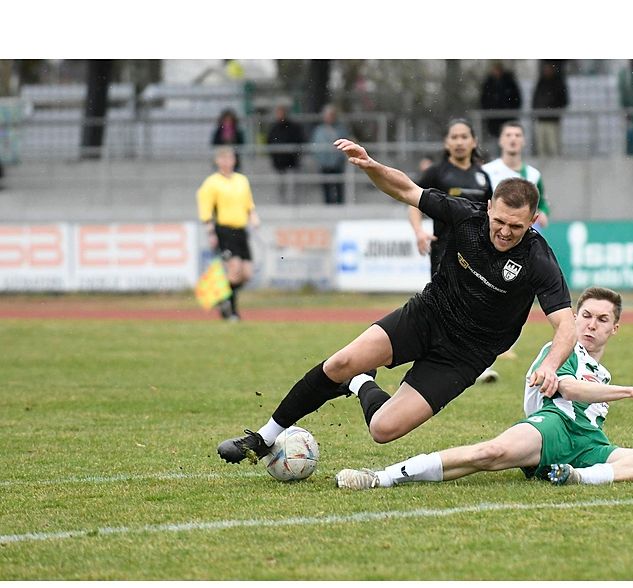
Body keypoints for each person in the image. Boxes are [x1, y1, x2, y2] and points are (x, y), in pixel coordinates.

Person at [216, 138, 576, 465]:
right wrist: (372, 166)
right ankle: (264, 437)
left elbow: (566, 325)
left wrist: (550, 365)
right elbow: (405, 189)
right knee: (341, 361)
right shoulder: (467, 216)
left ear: (533, 220)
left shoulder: (538, 259)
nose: (504, 231)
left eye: (516, 226)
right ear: (488, 207)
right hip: (429, 314)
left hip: (466, 355)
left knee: (383, 429)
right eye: (499, 221)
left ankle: (359, 383)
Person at [335, 286, 633, 490]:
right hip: (551, 427)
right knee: (487, 453)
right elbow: (568, 389)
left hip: (589, 445)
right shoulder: (561, 350)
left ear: (614, 329)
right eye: (585, 316)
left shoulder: (603, 372)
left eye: (602, 320)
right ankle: (381, 477)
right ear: (574, 318)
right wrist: (631, 391)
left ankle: (578, 477)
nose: (591, 325)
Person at [408, 118, 499, 382]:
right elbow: (412, 200)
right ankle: (434, 358)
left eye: (464, 137)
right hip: (445, 251)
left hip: (477, 252)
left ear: (474, 141)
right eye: (454, 137)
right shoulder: (436, 173)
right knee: (444, 306)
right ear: (447, 143)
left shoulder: (482, 176)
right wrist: (419, 231)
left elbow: (493, 211)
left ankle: (475, 363)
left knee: (477, 305)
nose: (459, 142)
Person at [196, 146, 260, 320]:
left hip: (241, 230)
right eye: (223, 158)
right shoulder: (212, 183)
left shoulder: (241, 180)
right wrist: (210, 232)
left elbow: (249, 204)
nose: (227, 162)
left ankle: (222, 296)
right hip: (224, 230)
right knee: (234, 269)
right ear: (217, 161)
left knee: (247, 274)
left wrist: (253, 217)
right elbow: (205, 207)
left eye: (230, 158)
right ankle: (232, 312)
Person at [482, 120, 550, 232]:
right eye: (508, 135)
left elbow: (542, 203)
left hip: (522, 232)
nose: (513, 139)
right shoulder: (486, 171)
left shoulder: (533, 174)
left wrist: (543, 212)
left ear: (524, 141)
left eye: (517, 135)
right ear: (500, 140)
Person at [266, 105, 306, 202]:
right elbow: (269, 142)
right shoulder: (274, 128)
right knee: (281, 185)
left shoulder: (293, 127)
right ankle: (282, 203)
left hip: (292, 162)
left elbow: (299, 141)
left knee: (293, 185)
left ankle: (294, 204)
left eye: (281, 113)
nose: (280, 115)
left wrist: (295, 154)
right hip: (279, 163)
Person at [311, 105, 350, 204]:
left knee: (339, 187)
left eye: (331, 115)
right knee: (326, 188)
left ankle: (339, 206)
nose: (329, 118)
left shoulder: (340, 129)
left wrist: (338, 159)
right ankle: (328, 205)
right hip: (324, 164)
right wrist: (322, 160)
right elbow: (316, 147)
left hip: (337, 164)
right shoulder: (319, 130)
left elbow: (345, 145)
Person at [532, 61, 568, 157]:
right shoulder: (541, 82)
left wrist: (554, 110)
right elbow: (535, 99)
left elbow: (563, 100)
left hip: (553, 119)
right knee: (541, 147)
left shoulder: (558, 83)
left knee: (554, 146)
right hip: (541, 118)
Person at [479, 62, 522, 138]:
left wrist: (511, 112)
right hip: (493, 119)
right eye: (495, 69)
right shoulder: (488, 83)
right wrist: (489, 112)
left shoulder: (509, 82)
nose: (497, 72)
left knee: (508, 138)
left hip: (507, 118)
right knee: (494, 140)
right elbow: (484, 100)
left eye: (498, 69)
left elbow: (516, 99)